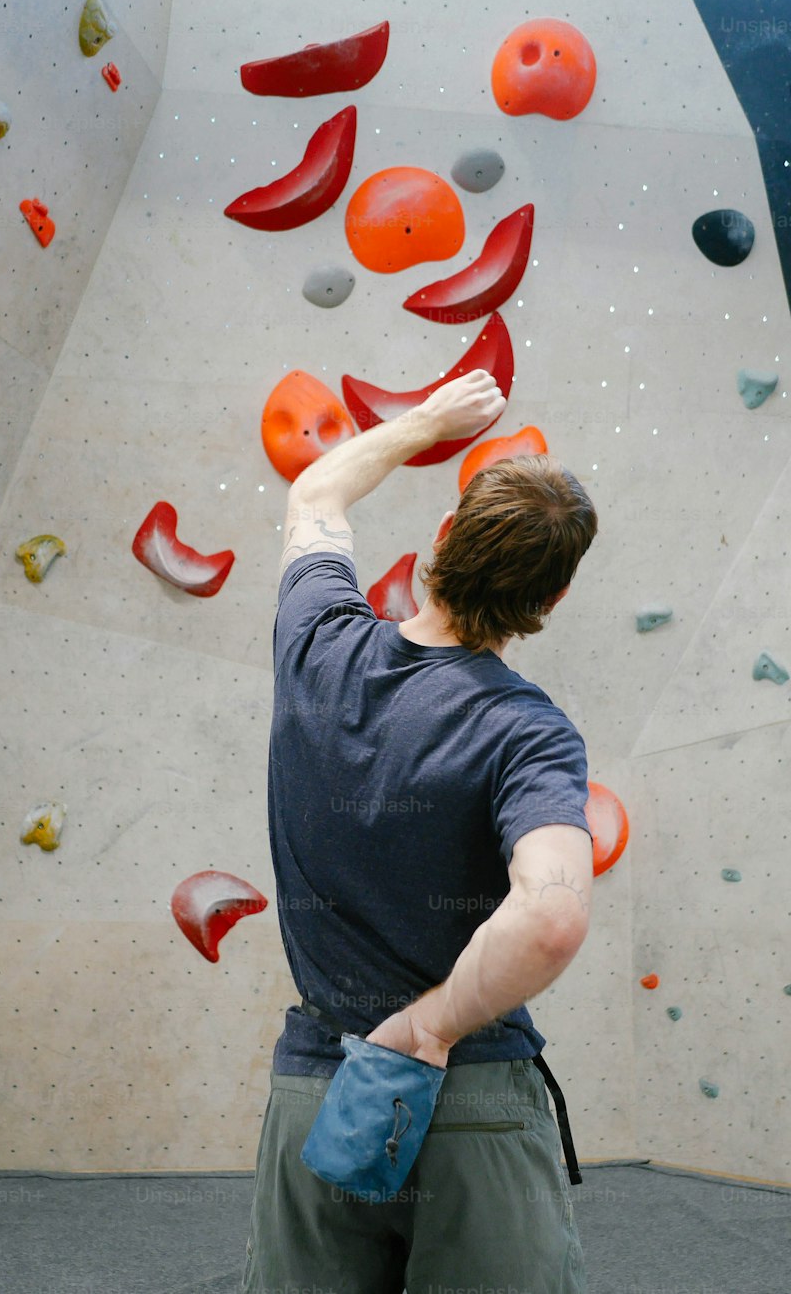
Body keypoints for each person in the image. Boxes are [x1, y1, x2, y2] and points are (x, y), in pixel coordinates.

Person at [242, 369, 598, 1294]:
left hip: (318, 1086)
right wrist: (429, 1027)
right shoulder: (528, 731)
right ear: (548, 603)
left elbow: (316, 489)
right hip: (469, 1096)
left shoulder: (317, 639)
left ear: (441, 542)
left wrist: (428, 422)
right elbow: (552, 917)